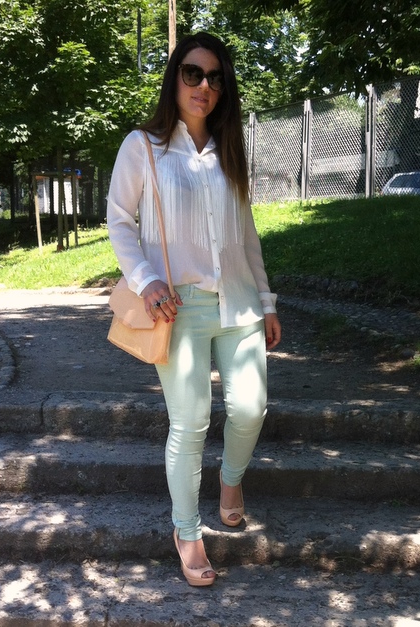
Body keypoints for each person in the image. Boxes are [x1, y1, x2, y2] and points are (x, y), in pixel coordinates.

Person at [106, 32, 282, 587]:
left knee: (250, 408)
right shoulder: (144, 146)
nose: (204, 85)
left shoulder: (230, 151)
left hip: (239, 303)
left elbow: (246, 235)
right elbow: (119, 221)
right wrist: (145, 279)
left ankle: (231, 479)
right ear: (175, 78)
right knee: (191, 422)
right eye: (193, 73)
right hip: (176, 308)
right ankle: (187, 532)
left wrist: (267, 301)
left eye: (215, 77)